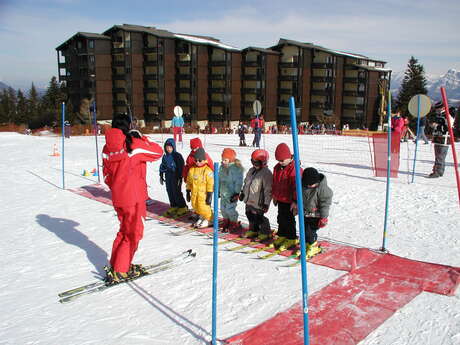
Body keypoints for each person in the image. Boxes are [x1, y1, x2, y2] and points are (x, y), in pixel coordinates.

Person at [102, 114, 163, 283]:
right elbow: (158, 152)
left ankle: (118, 265)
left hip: (118, 196)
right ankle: (121, 270)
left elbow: (106, 175)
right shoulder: (133, 145)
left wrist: (117, 187)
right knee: (133, 234)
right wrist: (142, 137)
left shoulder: (107, 148)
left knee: (124, 231)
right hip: (133, 198)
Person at [271, 143, 302, 251]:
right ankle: (282, 235)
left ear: (289, 157)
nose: (280, 162)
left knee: (289, 219)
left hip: (290, 200)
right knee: (281, 218)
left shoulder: (294, 169)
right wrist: (274, 195)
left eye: (282, 160)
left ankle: (291, 238)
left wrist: (295, 200)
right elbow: (274, 182)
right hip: (280, 198)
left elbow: (296, 186)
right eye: (278, 160)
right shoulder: (277, 168)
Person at [299, 167, 333, 258]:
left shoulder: (322, 189)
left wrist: (324, 217)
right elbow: (299, 196)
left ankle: (313, 246)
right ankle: (307, 244)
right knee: (304, 230)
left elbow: (325, 203)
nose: (310, 186)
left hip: (316, 215)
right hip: (306, 213)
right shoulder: (303, 185)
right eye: (308, 184)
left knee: (310, 232)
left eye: (312, 184)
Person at [239, 149, 273, 241]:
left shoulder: (266, 173)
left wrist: (266, 203)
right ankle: (254, 230)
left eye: (256, 163)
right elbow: (246, 183)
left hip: (259, 201)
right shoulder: (251, 170)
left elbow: (268, 190)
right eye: (252, 162)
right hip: (249, 198)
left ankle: (265, 232)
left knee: (259, 217)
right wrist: (242, 193)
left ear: (263, 162)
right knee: (249, 214)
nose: (254, 165)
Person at [159, 138, 188, 218]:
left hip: (176, 176)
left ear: (173, 147)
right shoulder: (165, 157)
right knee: (169, 190)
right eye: (167, 147)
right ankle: (174, 205)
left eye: (170, 147)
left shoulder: (177, 156)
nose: (168, 149)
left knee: (176, 191)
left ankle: (182, 206)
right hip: (168, 175)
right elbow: (162, 166)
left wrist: (180, 177)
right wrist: (161, 175)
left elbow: (181, 166)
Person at [186, 148, 214, 228]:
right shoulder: (192, 169)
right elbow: (189, 181)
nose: (197, 162)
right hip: (195, 193)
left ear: (204, 160)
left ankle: (209, 219)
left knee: (204, 207)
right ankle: (202, 217)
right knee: (195, 206)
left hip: (203, 194)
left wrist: (209, 194)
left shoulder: (207, 170)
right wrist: (188, 190)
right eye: (196, 160)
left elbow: (210, 183)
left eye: (200, 160)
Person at [218, 148, 244, 233]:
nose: (223, 162)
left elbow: (238, 182)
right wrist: (218, 190)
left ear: (230, 160)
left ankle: (233, 222)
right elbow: (219, 180)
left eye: (225, 160)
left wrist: (236, 193)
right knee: (223, 208)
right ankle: (226, 220)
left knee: (230, 209)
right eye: (222, 160)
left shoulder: (236, 169)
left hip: (231, 194)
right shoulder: (221, 168)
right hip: (223, 193)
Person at [428, 101, 453, 178]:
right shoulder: (438, 115)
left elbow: (449, 126)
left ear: (443, 108)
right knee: (437, 156)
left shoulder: (447, 116)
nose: (437, 110)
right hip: (437, 138)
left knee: (440, 156)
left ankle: (437, 172)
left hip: (444, 139)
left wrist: (438, 126)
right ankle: (439, 171)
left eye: (438, 108)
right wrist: (433, 125)